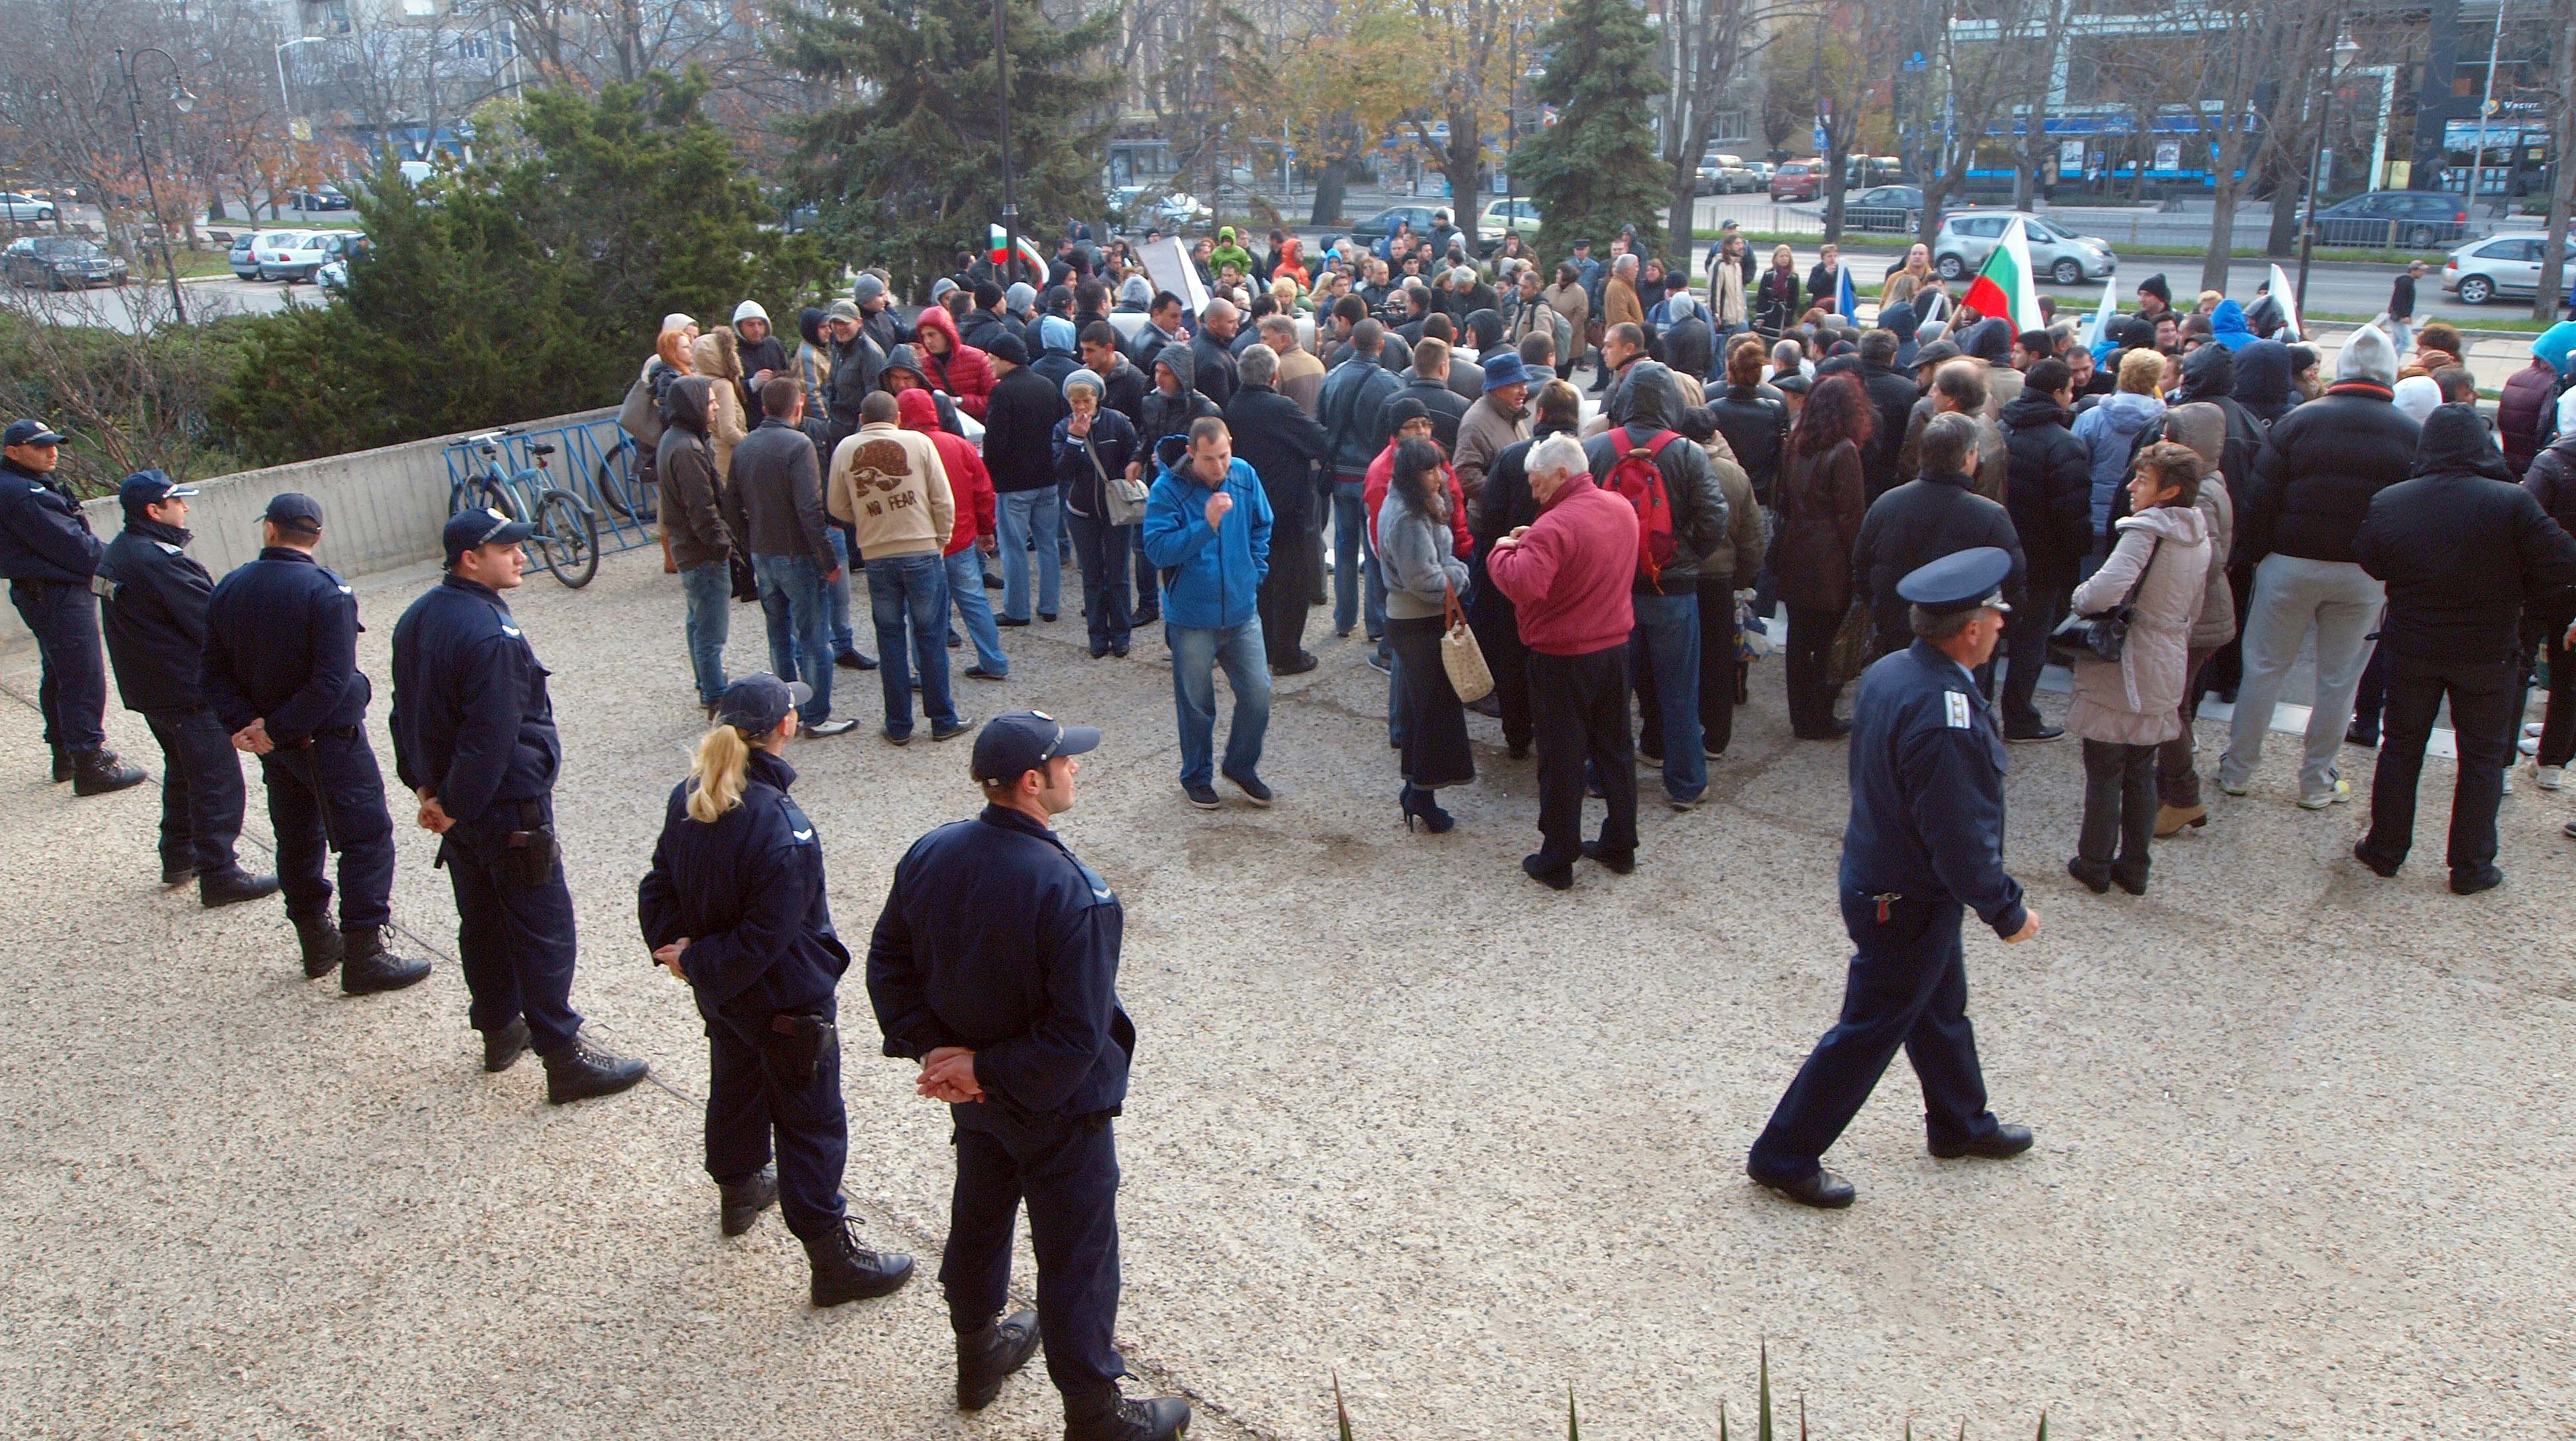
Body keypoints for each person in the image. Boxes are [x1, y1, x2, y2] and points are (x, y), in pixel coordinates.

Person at [865, 711, 1190, 1440]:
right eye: (1066, 763)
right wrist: (974, 1067)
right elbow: (1076, 1035)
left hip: (975, 1101)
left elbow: (888, 960)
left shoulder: (931, 851)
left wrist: (941, 1059)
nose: (1079, 769)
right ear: (1032, 783)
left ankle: (976, 1355)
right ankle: (1094, 1412)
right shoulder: (1075, 892)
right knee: (1075, 1254)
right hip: (1057, 1110)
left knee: (979, 1218)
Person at [1746, 547, 2041, 1209]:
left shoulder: (1892, 672)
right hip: (1903, 896)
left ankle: (1960, 1123)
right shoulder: (1944, 715)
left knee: (1937, 1009)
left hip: (1888, 877)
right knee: (1868, 1030)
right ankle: (1782, 1154)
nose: (2001, 622)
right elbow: (1957, 837)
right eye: (1995, 614)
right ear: (1969, 629)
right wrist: (2005, 909)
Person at [640, 673, 918, 1301]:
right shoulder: (783, 826)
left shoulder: (691, 794)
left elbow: (657, 883)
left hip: (723, 994)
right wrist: (700, 961)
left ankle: (739, 1190)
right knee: (811, 1122)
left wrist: (680, 956)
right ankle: (830, 1258)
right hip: (785, 1001)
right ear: (785, 728)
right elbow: (769, 936)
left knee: (735, 1084)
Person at [388, 512, 643, 1095]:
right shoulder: (487, 633)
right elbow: (491, 735)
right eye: (507, 549)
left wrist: (426, 789)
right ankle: (562, 1056)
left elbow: (407, 715)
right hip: (504, 809)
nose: (521, 556)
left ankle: (500, 1030)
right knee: (541, 928)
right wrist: (451, 802)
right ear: (469, 558)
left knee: (482, 922)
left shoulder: (419, 616)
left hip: (459, 806)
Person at [201, 493, 429, 994]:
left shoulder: (230, 588)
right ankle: (365, 952)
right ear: (318, 536)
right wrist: (277, 730)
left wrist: (249, 727)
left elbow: (212, 673)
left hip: (276, 748)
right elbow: (331, 682)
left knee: (298, 838)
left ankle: (315, 940)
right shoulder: (327, 592)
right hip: (326, 741)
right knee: (365, 839)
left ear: (270, 530)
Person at [2354, 405, 2576, 893]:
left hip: (2413, 643)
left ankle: (2386, 848)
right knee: (2481, 755)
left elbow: (2371, 560)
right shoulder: (2512, 503)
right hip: (2488, 648)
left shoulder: (2393, 500)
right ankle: (2471, 866)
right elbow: (2562, 562)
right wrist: (2520, 590)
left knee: (2401, 745)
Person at [2220, 325, 2418, 809]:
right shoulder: (2412, 433)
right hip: (2364, 573)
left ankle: (2238, 769)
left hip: (2289, 562)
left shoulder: (2299, 421)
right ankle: (2316, 781)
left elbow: (2260, 500)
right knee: (2338, 679)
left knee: (2264, 667)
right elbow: (2409, 512)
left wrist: (2264, 553)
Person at [96, 470, 276, 904]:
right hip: (185, 693)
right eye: (177, 502)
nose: (186, 508)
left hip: (152, 690)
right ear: (154, 511)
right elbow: (213, 624)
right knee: (216, 780)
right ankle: (221, 873)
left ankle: (179, 854)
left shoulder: (119, 553)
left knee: (183, 772)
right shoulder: (159, 562)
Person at [1488, 433, 1639, 888]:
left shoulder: (1556, 526)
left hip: (1562, 657)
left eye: (1536, 484)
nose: (1533, 494)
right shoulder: (1620, 508)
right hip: (1614, 649)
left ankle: (1557, 857)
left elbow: (1523, 584)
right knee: (1615, 749)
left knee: (1561, 759)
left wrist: (1502, 548)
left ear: (1560, 474)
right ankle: (1621, 843)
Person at [2063, 443, 2212, 894]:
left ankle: (2094, 863)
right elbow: (2195, 603)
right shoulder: (2197, 533)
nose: (2131, 486)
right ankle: (2135, 866)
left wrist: (2079, 597)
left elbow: (2102, 592)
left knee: (2105, 765)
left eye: (2143, 479)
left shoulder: (2145, 531)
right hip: (2167, 655)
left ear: (2169, 490)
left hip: (2128, 657)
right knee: (2141, 769)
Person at [1586, 363, 1726, 809]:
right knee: (1678, 693)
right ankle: (1685, 784)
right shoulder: (1687, 453)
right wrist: (1686, 558)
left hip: (1614, 593)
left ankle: (1603, 777)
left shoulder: (1597, 450)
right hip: (1673, 589)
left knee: (1612, 694)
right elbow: (1715, 519)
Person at [2, 417, 145, 793]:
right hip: (55, 592)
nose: (52, 453)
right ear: (13, 453)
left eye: (54, 445)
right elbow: (75, 547)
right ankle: (89, 763)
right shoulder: (22, 494)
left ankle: (67, 754)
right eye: (41, 447)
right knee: (82, 676)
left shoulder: (23, 485)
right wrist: (130, 563)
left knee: (61, 673)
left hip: (45, 590)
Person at [1139, 418, 1275, 809]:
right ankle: (1197, 776)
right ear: (1191, 454)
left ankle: (1241, 765)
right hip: (1191, 618)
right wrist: (1206, 525)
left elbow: (1262, 524)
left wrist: (1255, 570)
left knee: (1258, 694)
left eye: (1224, 456)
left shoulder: (1244, 475)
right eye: (1210, 460)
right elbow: (1158, 551)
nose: (1219, 468)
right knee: (1197, 704)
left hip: (1241, 610)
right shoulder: (1168, 490)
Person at [828, 391, 968, 745]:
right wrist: (940, 540)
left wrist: (866, 518)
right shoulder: (918, 443)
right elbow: (943, 498)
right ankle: (942, 719)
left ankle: (898, 725)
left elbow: (836, 505)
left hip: (877, 554)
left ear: (862, 419)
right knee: (931, 636)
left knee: (889, 640)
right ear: (898, 418)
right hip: (921, 549)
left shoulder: (846, 448)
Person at [728, 370, 855, 737]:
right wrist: (828, 559)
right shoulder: (799, 445)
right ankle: (816, 715)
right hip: (797, 554)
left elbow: (731, 505)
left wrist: (748, 542)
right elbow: (809, 509)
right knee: (815, 636)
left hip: (762, 552)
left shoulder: (744, 446)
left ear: (765, 407)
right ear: (798, 407)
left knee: (779, 633)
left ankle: (781, 712)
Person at [1856, 411, 2027, 657]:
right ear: (1968, 457)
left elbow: (1862, 566)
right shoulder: (1990, 516)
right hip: (1962, 642)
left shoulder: (1888, 503)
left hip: (1896, 633)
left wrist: (1881, 610)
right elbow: (2014, 585)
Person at [1376, 437, 1476, 831]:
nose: (1439, 476)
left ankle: (1418, 791)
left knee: (1425, 711)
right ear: (1411, 476)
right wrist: (1461, 575)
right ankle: (1422, 795)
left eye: (1440, 467)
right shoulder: (1407, 517)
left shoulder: (1414, 506)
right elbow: (1425, 579)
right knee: (1432, 713)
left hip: (1419, 619)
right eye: (1430, 470)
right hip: (1417, 621)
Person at [1996, 358, 2093, 741]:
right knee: (2029, 642)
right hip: (2042, 561)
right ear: (2057, 393)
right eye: (2070, 389)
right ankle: (2019, 718)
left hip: (2000, 553)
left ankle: (1982, 716)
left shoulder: (2001, 429)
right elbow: (2073, 514)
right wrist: (2075, 559)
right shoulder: (2065, 445)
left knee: (1991, 639)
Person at [1774, 374, 1874, 738]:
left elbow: (1782, 498)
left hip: (1797, 546)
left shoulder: (1797, 442)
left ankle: (1802, 715)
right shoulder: (1844, 450)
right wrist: (1858, 560)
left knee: (1800, 639)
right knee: (1828, 641)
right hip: (1829, 557)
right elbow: (1851, 514)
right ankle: (1819, 716)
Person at [1225, 344, 1333, 674]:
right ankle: (1287, 655)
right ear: (1274, 376)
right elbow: (1321, 441)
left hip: (1249, 509)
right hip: (1286, 510)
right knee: (1291, 585)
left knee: (1263, 583)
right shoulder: (1280, 407)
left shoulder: (1234, 406)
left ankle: (1267, 650)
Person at [898, 387, 1007, 682]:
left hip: (920, 543)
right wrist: (986, 530)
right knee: (974, 600)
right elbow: (984, 492)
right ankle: (994, 661)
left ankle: (928, 673)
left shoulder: (900, 450)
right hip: (961, 537)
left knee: (923, 610)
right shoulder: (958, 445)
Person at [1319, 319, 1403, 646]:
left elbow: (1321, 425)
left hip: (1341, 475)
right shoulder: (1391, 384)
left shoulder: (1333, 378)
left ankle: (1343, 618)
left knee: (1343, 545)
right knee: (1374, 548)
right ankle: (1376, 621)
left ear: (1353, 342)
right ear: (1381, 346)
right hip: (1374, 477)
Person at [659, 375, 734, 718]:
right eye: (709, 400)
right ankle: (716, 695)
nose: (716, 405)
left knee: (697, 621)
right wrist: (724, 547)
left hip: (689, 550)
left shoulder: (676, 439)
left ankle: (707, 686)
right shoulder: (687, 449)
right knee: (710, 631)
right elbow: (702, 510)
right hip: (701, 553)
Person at [1056, 370, 1144, 660]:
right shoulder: (1062, 428)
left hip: (1115, 511)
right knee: (1092, 575)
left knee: (1118, 574)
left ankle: (1121, 634)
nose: (1081, 407)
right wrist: (1074, 439)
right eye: (1076, 401)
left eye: (1087, 400)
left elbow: (1133, 453)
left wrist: (1134, 466)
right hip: (1081, 511)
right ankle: (1097, 635)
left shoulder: (1116, 422)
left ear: (1097, 398)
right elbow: (1062, 472)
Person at [983, 334, 1069, 628]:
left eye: (993, 358)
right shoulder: (1046, 386)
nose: (990, 363)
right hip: (1047, 479)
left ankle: (1017, 609)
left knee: (1014, 547)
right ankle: (1049, 605)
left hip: (1014, 484)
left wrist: (992, 475)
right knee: (1048, 544)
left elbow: (995, 442)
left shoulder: (1003, 393)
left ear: (1007, 359)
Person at [2071, 350, 2168, 551]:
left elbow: (2074, 471)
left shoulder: (2091, 419)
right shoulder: (2166, 423)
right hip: (2143, 514)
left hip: (2094, 516)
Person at [1755, 245, 1801, 338]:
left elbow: (1794, 300)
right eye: (1781, 256)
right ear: (1775, 258)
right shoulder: (1769, 275)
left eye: (1787, 256)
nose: (1784, 259)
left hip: (1784, 315)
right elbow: (1761, 297)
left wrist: (1790, 317)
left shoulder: (1793, 277)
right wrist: (1760, 316)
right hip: (1769, 313)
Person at [2386, 260, 2424, 359]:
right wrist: (2404, 316)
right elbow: (2399, 300)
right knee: (2405, 341)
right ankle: (2392, 361)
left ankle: (2390, 360)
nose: (2423, 273)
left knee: (2397, 341)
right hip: (2399, 316)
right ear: (2413, 270)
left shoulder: (2407, 281)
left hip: (2398, 315)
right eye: (2421, 270)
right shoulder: (2405, 282)